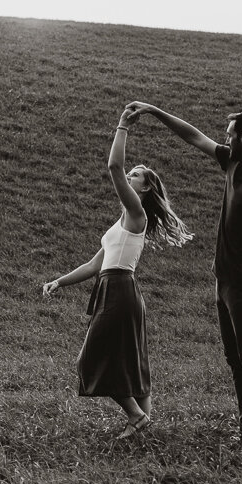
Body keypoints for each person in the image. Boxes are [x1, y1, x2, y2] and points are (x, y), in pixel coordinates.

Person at [126, 102, 242, 451]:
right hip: (223, 280)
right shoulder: (233, 161)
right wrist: (153, 111)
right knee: (237, 361)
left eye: (229, 134)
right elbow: (193, 136)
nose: (223, 140)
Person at [43, 107, 193, 439]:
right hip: (115, 288)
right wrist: (59, 281)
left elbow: (113, 166)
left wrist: (123, 125)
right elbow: (95, 265)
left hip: (120, 290)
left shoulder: (136, 213)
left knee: (90, 359)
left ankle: (137, 417)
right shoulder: (122, 224)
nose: (130, 174)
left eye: (136, 174)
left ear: (145, 189)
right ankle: (142, 427)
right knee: (131, 359)